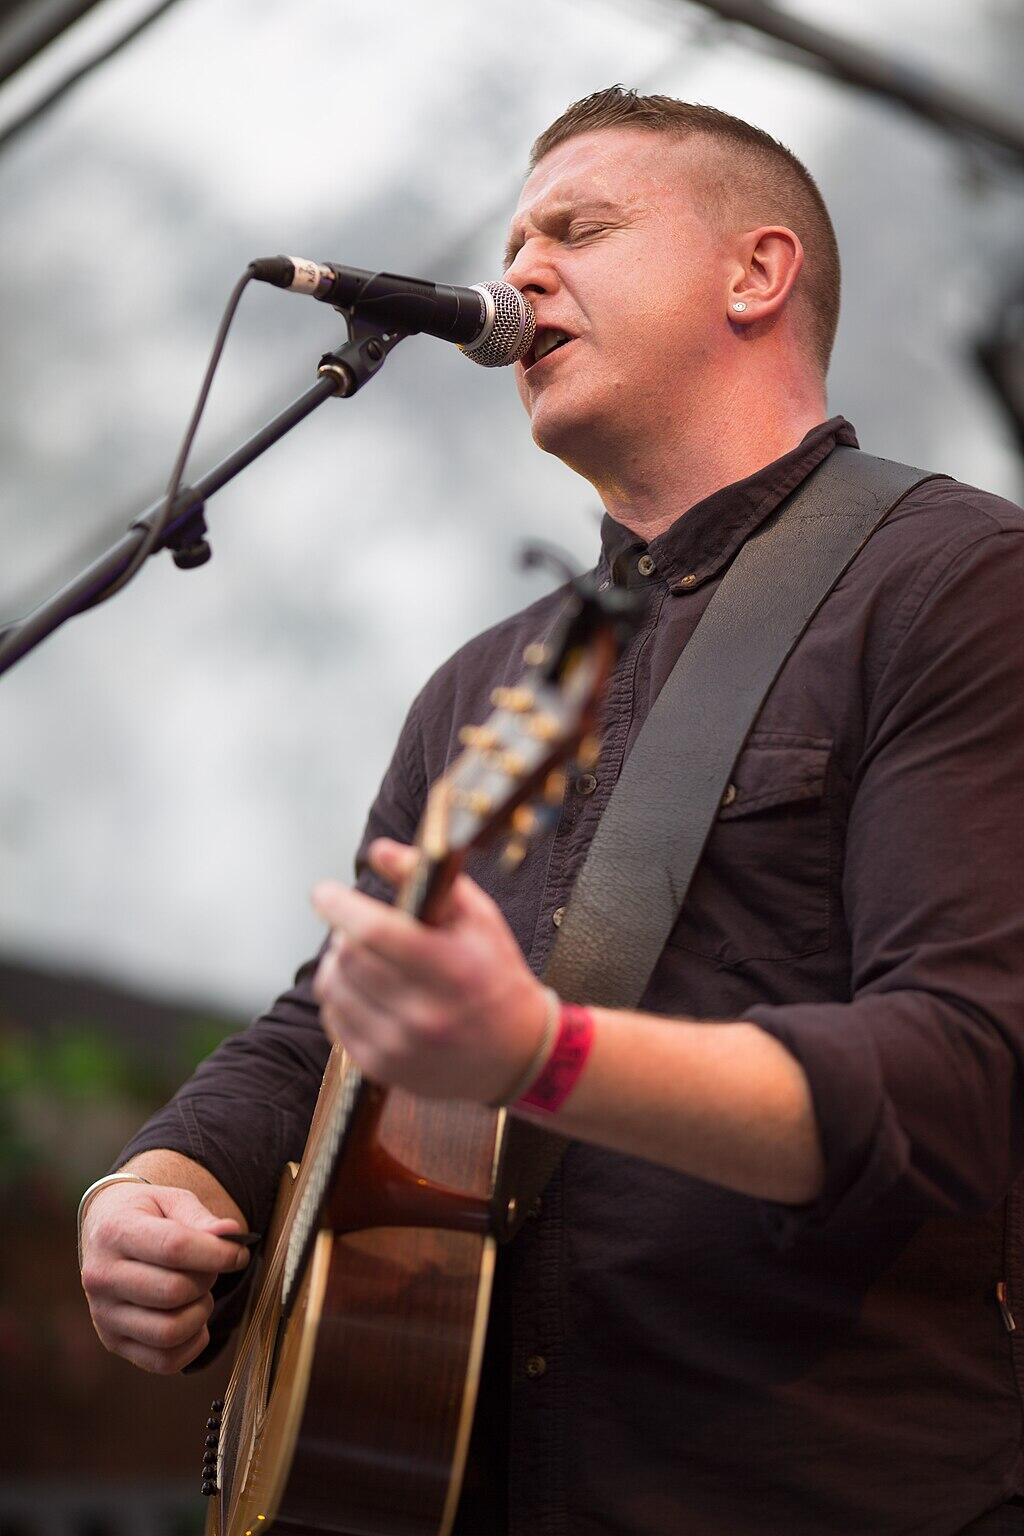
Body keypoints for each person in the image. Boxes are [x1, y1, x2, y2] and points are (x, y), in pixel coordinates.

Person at [79, 88, 1024, 1536]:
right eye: (514, 241)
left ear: (755, 274)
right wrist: (156, 1183)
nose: (519, 271)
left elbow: (960, 1078)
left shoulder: (956, 585)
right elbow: (333, 1022)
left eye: (579, 229)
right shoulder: (484, 686)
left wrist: (543, 1053)